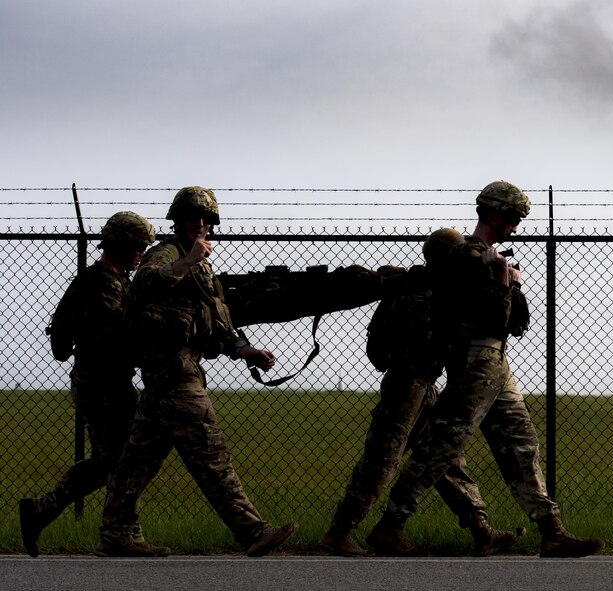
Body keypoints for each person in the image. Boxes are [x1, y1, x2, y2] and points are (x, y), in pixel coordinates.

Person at [368, 181, 605, 558]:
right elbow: (498, 319)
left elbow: (514, 324)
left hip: (494, 363)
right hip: (474, 361)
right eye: (512, 217)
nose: (516, 225)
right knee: (441, 447)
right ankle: (390, 526)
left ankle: (552, 531)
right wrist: (505, 284)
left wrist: (506, 281)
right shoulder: (470, 258)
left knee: (520, 443)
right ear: (493, 213)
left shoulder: (486, 257)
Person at [95, 186, 297, 557]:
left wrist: (243, 349)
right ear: (178, 220)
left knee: (138, 459)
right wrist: (188, 260)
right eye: (193, 218)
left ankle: (116, 532)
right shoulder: (166, 254)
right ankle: (253, 532)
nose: (200, 225)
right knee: (210, 451)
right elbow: (145, 281)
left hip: (175, 371)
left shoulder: (200, 264)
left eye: (207, 220)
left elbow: (215, 320)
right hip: (172, 371)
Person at [320, 228, 525, 557]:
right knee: (382, 459)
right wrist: (501, 284)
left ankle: (481, 530)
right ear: (450, 257)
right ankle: (339, 533)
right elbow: (482, 327)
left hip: (422, 383)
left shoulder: (413, 285)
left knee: (445, 457)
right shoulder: (434, 292)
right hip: (408, 385)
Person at [19, 212, 156, 558]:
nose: (141, 253)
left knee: (113, 460)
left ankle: (43, 510)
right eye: (138, 247)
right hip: (103, 384)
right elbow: (115, 335)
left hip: (104, 382)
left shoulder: (111, 280)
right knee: (125, 460)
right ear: (122, 246)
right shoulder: (103, 283)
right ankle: (118, 533)